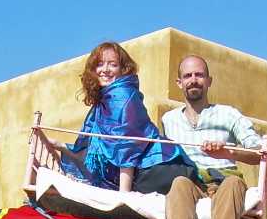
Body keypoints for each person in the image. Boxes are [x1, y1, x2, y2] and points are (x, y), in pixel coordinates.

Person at [158, 55, 267, 219]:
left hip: (223, 178)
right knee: (179, 183)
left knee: (233, 184)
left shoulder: (228, 114)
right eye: (187, 76)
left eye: (199, 75)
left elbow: (263, 153)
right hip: (192, 180)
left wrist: (225, 152)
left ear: (209, 81)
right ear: (179, 83)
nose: (193, 80)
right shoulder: (168, 120)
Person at [38, 41, 196, 194]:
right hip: (143, 172)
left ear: (123, 69)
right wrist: (58, 145)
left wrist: (123, 196)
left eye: (113, 64)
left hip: (161, 168)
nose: (105, 70)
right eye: (100, 64)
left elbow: (126, 147)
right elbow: (95, 155)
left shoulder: (122, 96)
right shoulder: (105, 101)